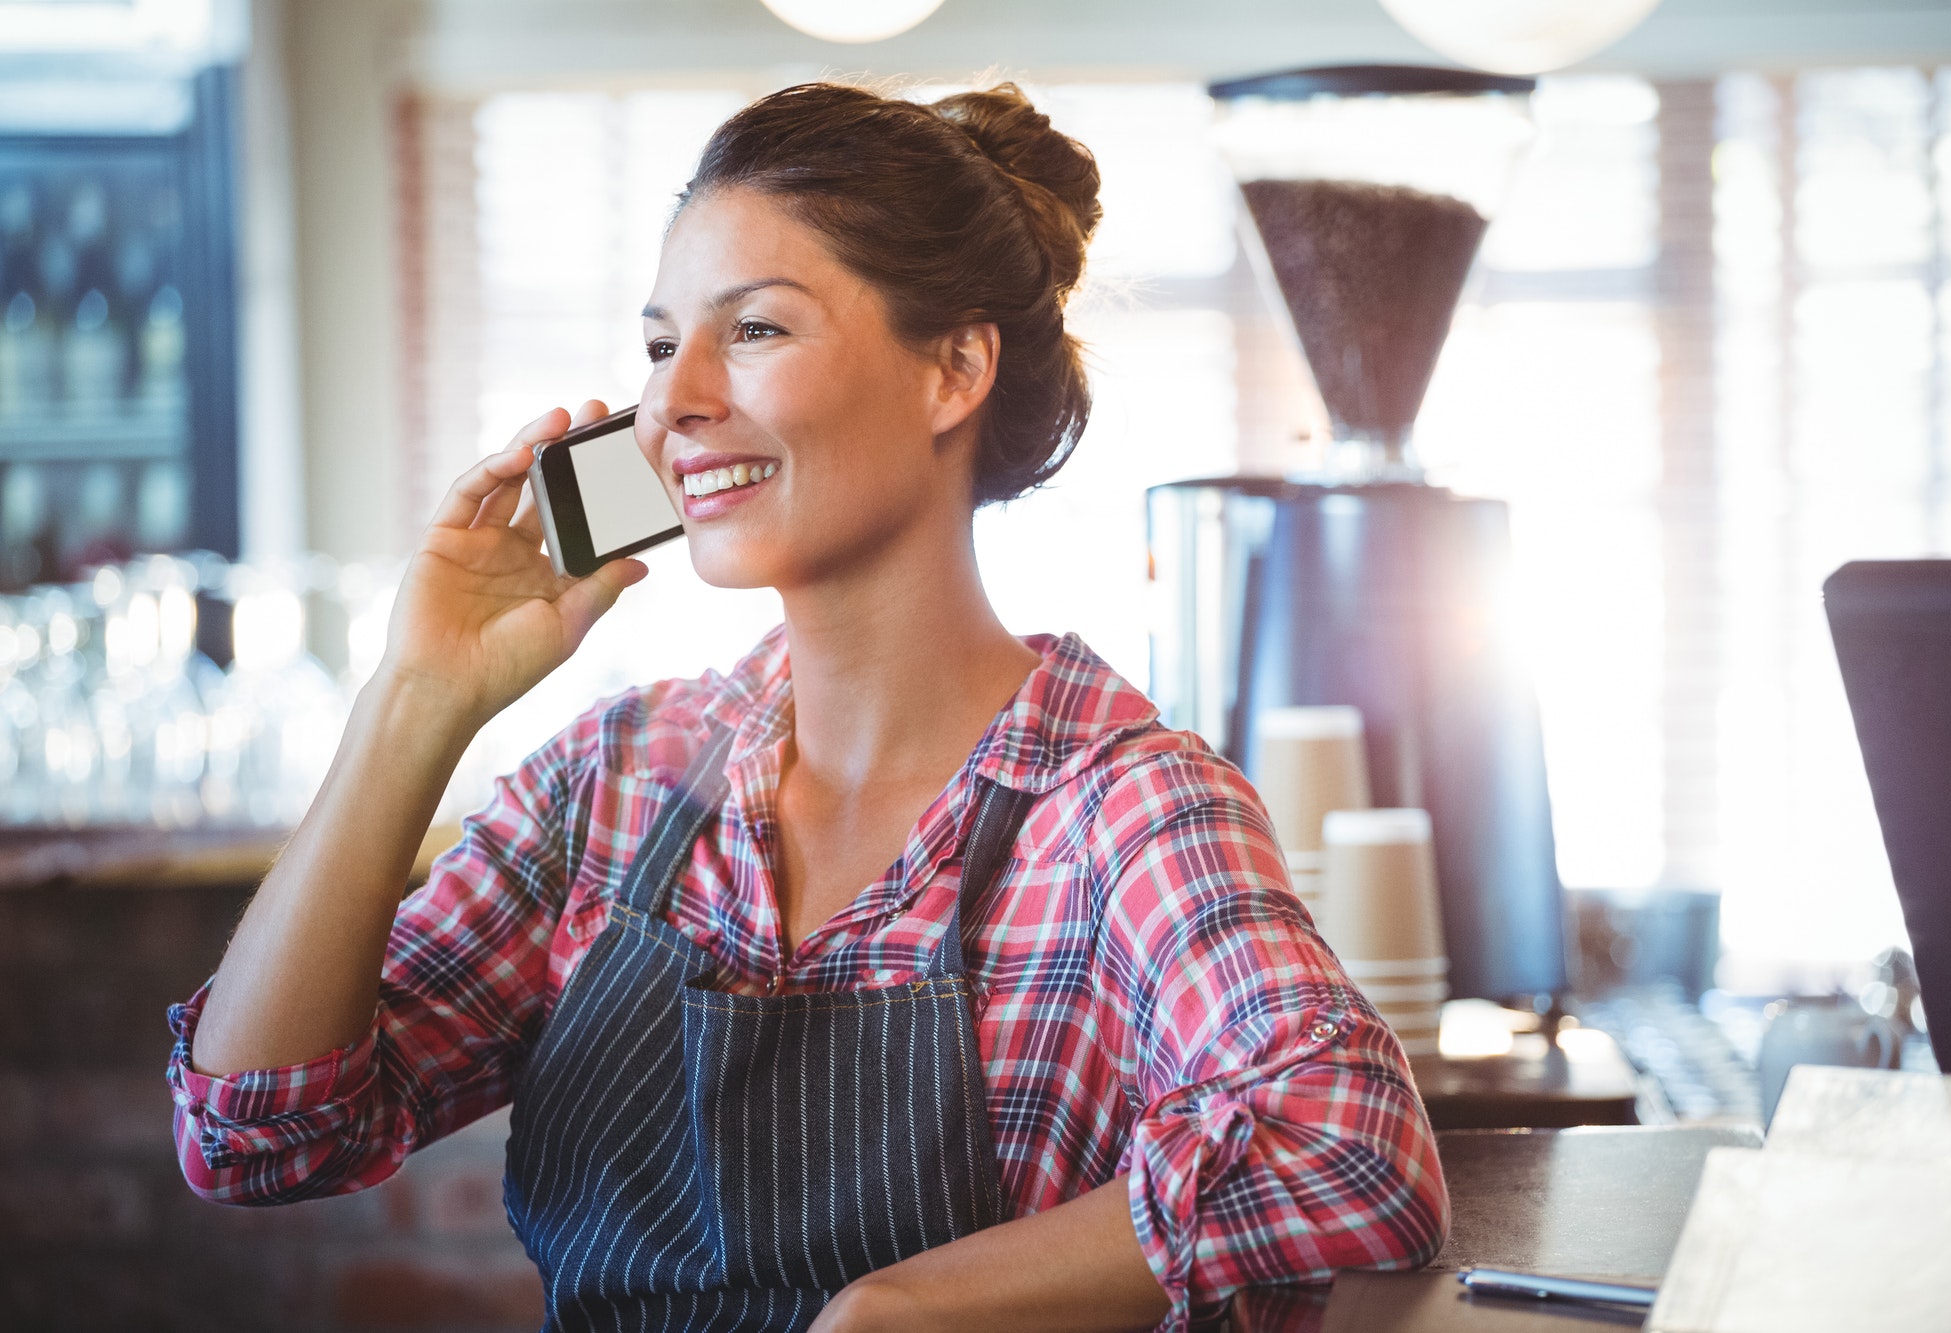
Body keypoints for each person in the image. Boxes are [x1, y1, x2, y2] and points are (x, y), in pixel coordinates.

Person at [165, 82, 1447, 1333]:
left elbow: (1346, 1144)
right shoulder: (613, 780)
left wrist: (901, 1307)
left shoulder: (1121, 808)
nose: (672, 404)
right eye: (662, 345)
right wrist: (415, 700)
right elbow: (258, 1135)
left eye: (756, 330)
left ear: (953, 369)